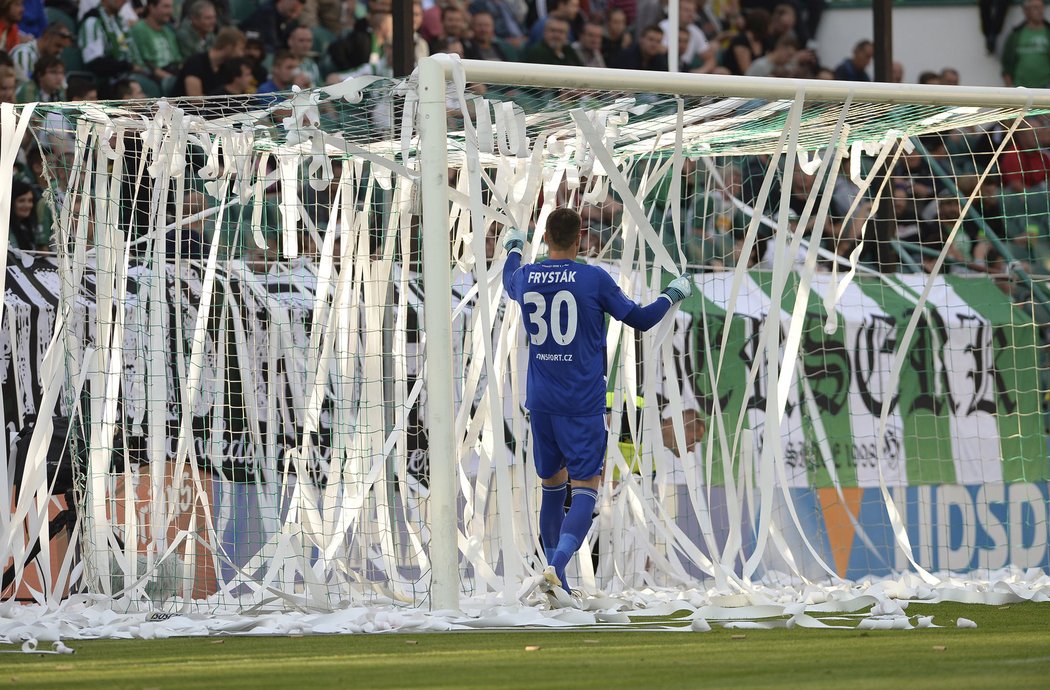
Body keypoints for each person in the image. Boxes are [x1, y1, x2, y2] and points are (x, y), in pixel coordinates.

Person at [500, 207, 692, 595]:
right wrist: (673, 294)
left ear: (547, 238)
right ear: (581, 236)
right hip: (581, 403)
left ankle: (558, 582)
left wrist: (515, 249)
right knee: (586, 487)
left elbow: (508, 280)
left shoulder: (527, 276)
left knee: (551, 486)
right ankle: (556, 566)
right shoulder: (592, 278)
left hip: (540, 402)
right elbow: (638, 319)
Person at [1001, 0, 1050, 88]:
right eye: (1035, 7)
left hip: (1045, 89)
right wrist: (1009, 89)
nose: (1039, 11)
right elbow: (1007, 65)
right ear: (1026, 11)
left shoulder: (1048, 32)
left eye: (1041, 7)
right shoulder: (1015, 35)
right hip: (1021, 89)